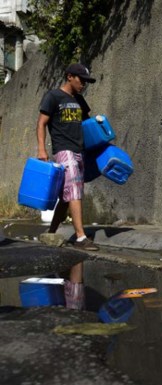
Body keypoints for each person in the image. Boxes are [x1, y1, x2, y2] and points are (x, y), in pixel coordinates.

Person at [36, 63, 98, 251]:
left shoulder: (79, 100)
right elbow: (41, 124)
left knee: (66, 196)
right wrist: (41, 149)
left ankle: (51, 232)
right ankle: (80, 237)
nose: (84, 85)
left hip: (80, 151)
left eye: (86, 81)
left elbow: (89, 124)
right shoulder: (53, 96)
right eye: (81, 80)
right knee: (74, 189)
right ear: (70, 76)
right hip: (64, 150)